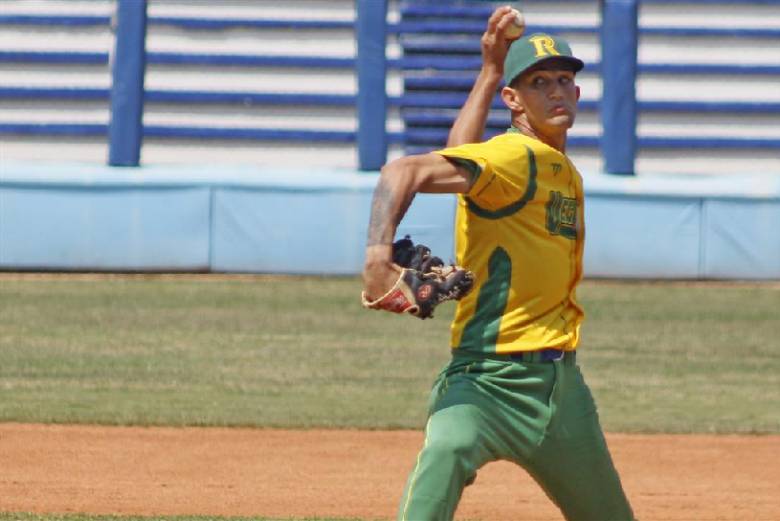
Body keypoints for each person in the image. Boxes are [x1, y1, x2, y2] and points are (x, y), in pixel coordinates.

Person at [362, 6, 635, 521]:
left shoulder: (558, 168)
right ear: (515, 100)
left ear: (578, 93)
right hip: (484, 379)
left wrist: (490, 71)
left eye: (563, 80)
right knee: (444, 453)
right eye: (537, 83)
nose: (556, 91)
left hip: (560, 393)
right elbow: (402, 170)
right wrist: (377, 259)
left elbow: (460, 155)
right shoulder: (517, 157)